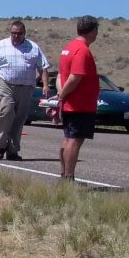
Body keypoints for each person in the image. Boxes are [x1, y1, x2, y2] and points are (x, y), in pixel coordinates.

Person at [0, 20, 51, 160]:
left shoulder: (33, 47)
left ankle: (13, 151)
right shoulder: (0, 46)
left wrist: (44, 85)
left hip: (26, 88)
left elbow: (43, 68)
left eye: (19, 33)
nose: (16, 36)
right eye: (13, 33)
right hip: (6, 85)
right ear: (10, 33)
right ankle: (1, 146)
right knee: (6, 113)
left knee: (20, 119)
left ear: (24, 33)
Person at [56, 16, 100, 180]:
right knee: (74, 140)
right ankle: (68, 176)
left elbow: (61, 75)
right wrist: (63, 94)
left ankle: (64, 174)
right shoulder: (82, 50)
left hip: (71, 103)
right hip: (79, 105)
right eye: (96, 30)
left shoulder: (68, 48)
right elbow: (75, 77)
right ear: (93, 31)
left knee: (68, 138)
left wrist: (62, 94)